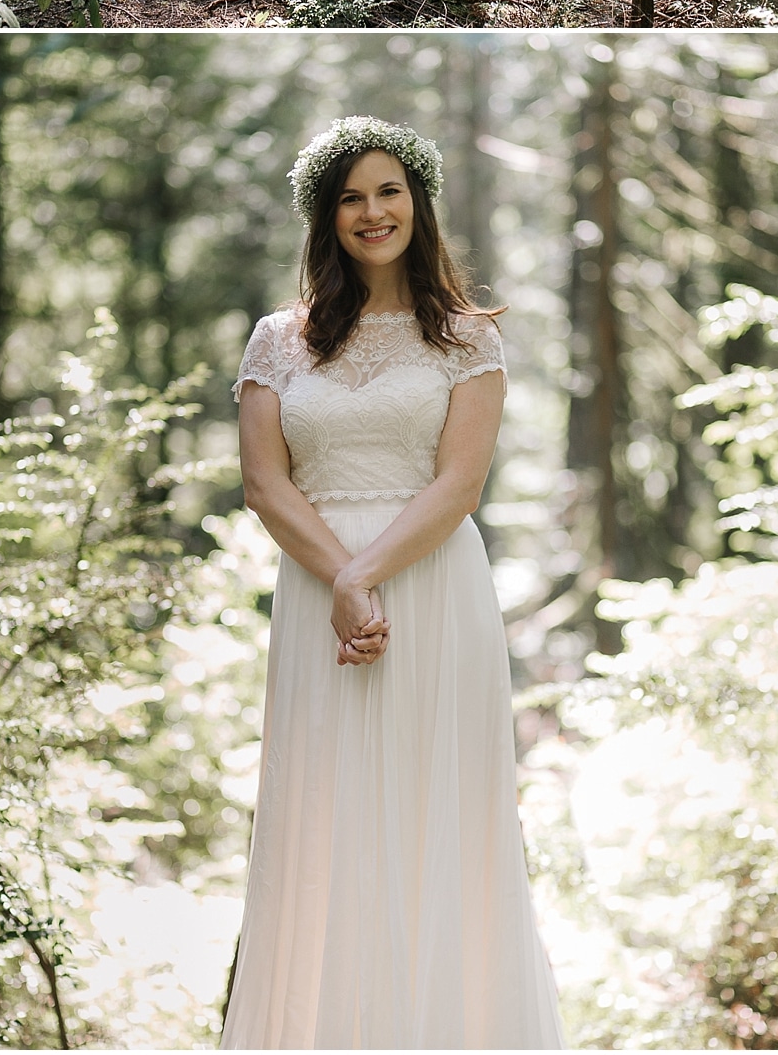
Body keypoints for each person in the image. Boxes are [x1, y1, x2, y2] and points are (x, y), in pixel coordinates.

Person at [221, 116, 565, 1050]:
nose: (372, 213)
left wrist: (364, 575)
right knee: (323, 820)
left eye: (388, 192)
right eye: (349, 198)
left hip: (432, 590)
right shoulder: (276, 342)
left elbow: (459, 484)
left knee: (435, 816)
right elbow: (263, 482)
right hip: (314, 595)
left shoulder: (465, 338)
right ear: (324, 219)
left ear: (418, 202)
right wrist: (336, 580)